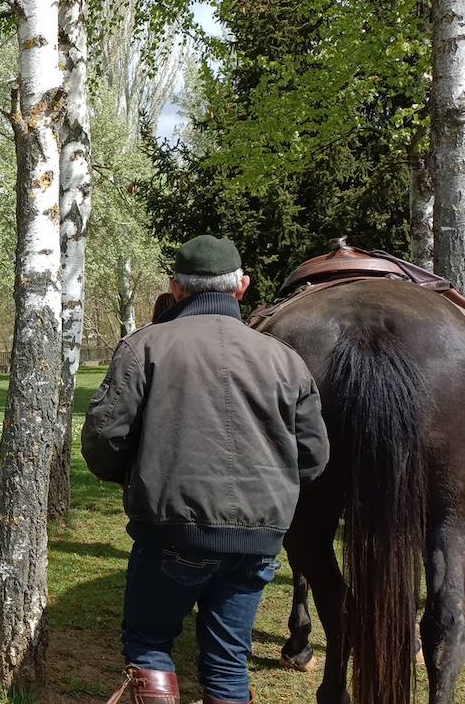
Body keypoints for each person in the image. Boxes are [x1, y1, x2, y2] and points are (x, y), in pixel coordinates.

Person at [81, 235, 330, 704]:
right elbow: (313, 458)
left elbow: (103, 441)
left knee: (150, 644)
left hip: (170, 532)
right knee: (229, 661)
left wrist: (138, 477)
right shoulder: (285, 361)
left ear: (175, 289)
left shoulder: (143, 348)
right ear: (242, 287)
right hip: (257, 540)